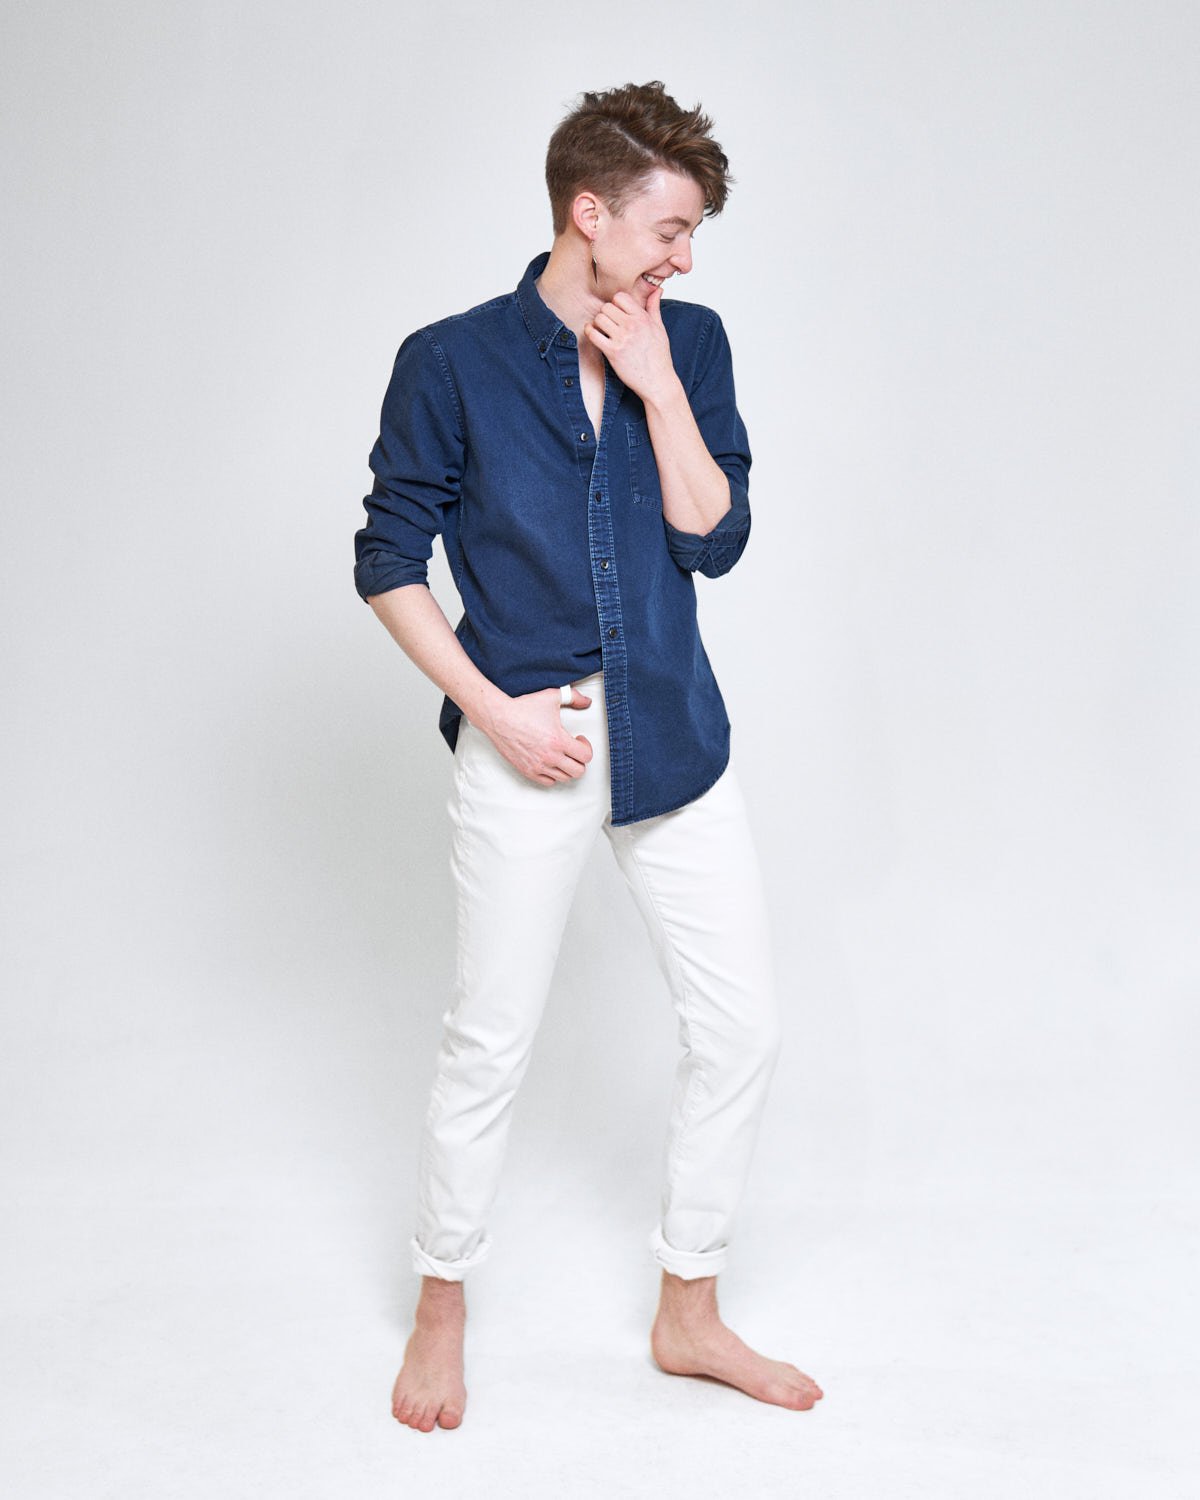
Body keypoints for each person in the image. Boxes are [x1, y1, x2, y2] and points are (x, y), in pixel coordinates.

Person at [353, 80, 823, 1431]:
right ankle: (442, 1302)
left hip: (672, 730)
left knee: (741, 1027)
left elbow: (713, 538)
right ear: (589, 214)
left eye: (693, 235)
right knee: (489, 1038)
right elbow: (389, 560)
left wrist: (661, 388)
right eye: (672, 230)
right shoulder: (452, 361)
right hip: (531, 734)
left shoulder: (695, 345)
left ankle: (690, 1307)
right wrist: (494, 711)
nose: (688, 259)